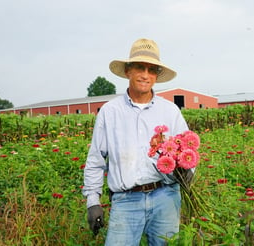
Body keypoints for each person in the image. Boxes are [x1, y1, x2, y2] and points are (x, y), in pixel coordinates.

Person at [82, 38, 192, 245]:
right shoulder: (110, 112)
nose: (145, 75)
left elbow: (187, 152)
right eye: (140, 68)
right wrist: (93, 202)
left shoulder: (170, 111)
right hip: (126, 200)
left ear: (156, 76)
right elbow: (96, 160)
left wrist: (187, 173)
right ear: (128, 71)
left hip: (166, 197)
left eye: (152, 70)